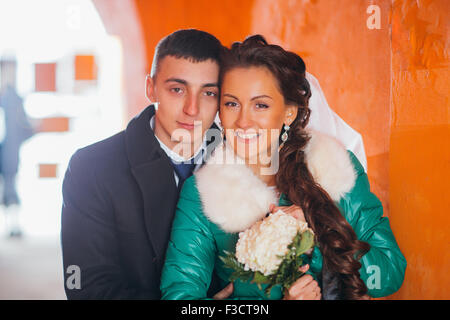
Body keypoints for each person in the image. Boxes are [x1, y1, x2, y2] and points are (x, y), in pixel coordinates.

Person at [160, 35, 407, 300]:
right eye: (232, 103)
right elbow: (180, 298)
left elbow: (389, 272)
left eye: (261, 105)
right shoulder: (202, 194)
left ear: (289, 112)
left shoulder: (336, 170)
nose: (243, 121)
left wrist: (318, 237)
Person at [61, 29, 230, 299]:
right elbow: (86, 288)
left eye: (208, 93)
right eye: (177, 89)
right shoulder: (91, 167)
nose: (192, 108)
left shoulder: (243, 159)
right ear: (150, 88)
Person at [0, 58, 34, 237]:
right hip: (5, 151)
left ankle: (12, 226)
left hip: (9, 154)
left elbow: (25, 127)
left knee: (10, 187)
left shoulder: (14, 99)